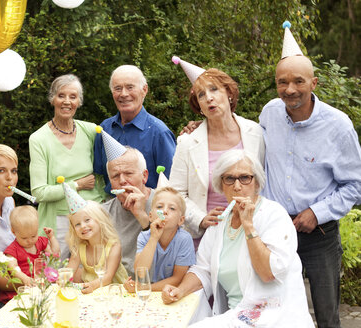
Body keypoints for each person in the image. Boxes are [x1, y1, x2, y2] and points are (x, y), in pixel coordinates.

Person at [260, 53, 361, 326]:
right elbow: (243, 140)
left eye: (298, 81)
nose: (290, 89)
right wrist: (203, 126)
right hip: (275, 232)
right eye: (282, 82)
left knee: (327, 315)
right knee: (274, 312)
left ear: (314, 83)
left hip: (320, 235)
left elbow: (355, 184)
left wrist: (317, 212)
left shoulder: (338, 126)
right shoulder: (269, 113)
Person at [162, 150, 314, 327]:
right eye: (229, 179)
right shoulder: (220, 223)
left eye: (244, 178)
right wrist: (179, 290)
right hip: (238, 314)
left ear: (256, 183)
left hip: (274, 315)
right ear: (221, 185)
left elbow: (269, 273)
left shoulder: (274, 215)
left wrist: (248, 225)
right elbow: (203, 270)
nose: (237, 186)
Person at [170, 67, 264, 250]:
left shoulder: (256, 133)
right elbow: (176, 193)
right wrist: (200, 219)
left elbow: (263, 182)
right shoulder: (188, 143)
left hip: (249, 233)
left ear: (229, 93)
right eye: (201, 95)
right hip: (206, 240)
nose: (209, 98)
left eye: (214, 89)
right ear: (199, 106)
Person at [29, 74, 106, 260]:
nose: (67, 101)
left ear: (79, 101)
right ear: (52, 99)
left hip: (92, 218)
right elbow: (39, 192)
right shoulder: (38, 139)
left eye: (73, 96)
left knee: (94, 274)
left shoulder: (91, 131)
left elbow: (108, 168)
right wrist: (76, 185)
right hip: (58, 221)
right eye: (61, 95)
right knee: (56, 275)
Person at [93, 65, 176, 192]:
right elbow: (99, 176)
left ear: (144, 90)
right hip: (112, 207)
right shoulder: (104, 129)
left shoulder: (159, 133)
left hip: (148, 208)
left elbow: (173, 183)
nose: (124, 94)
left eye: (130, 87)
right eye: (118, 88)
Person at [124, 186, 195, 293]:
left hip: (175, 291)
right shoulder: (144, 237)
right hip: (153, 291)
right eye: (160, 207)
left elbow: (178, 279)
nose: (165, 211)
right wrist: (153, 238)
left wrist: (145, 288)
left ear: (180, 220)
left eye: (172, 208)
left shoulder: (184, 239)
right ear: (151, 216)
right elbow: (140, 272)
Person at [101, 147, 154, 278]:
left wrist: (142, 215)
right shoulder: (102, 214)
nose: (122, 181)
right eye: (115, 176)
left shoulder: (165, 205)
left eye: (128, 173)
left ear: (144, 176)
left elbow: (168, 254)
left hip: (155, 286)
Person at [0, 205, 60, 304]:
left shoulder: (40, 242)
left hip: (38, 286)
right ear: (14, 232)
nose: (30, 241)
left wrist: (52, 238)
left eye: (33, 235)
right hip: (20, 290)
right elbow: (13, 268)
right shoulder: (13, 250)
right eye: (24, 238)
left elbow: (54, 255)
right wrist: (25, 279)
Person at [66, 200, 128, 294]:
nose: (83, 226)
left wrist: (92, 285)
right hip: (92, 292)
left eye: (87, 220)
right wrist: (63, 278)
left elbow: (108, 277)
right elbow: (69, 271)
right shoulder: (80, 248)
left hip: (115, 292)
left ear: (99, 219)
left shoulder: (113, 246)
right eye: (77, 224)